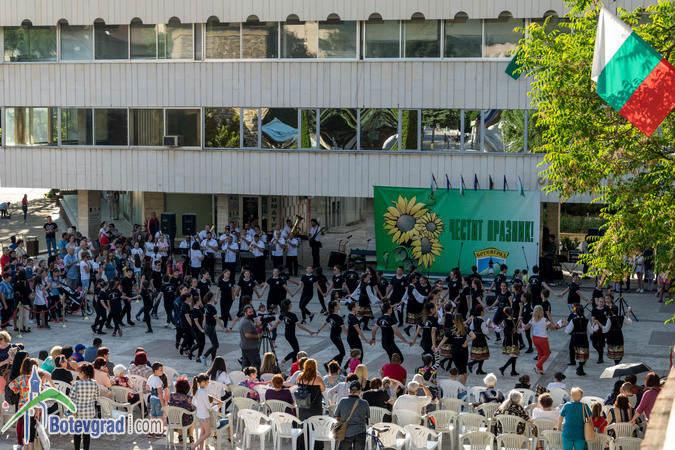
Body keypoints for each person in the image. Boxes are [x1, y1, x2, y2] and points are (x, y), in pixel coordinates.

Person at [269, 299, 314, 370]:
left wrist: (271, 329)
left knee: (295, 350)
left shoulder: (283, 314)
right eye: (291, 303)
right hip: (291, 335)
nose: (292, 304)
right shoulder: (292, 315)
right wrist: (309, 331)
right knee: (296, 351)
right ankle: (283, 361)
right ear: (289, 305)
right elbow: (299, 325)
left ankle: (294, 366)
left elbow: (276, 323)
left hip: (287, 334)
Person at [434, 313, 476, 385]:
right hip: (464, 350)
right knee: (464, 369)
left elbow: (443, 340)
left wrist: (437, 348)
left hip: (455, 350)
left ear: (453, 321)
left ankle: (462, 387)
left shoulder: (451, 330)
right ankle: (464, 386)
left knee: (460, 370)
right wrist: (466, 341)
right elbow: (474, 336)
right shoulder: (465, 328)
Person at [191, 373, 227, 450]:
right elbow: (208, 405)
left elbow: (193, 402)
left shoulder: (198, 390)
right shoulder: (204, 391)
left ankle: (200, 448)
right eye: (207, 382)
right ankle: (192, 447)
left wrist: (200, 406)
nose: (208, 384)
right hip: (204, 415)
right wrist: (211, 409)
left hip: (200, 414)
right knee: (207, 433)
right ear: (203, 382)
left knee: (202, 433)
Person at [71, 363, 101, 450]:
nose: (78, 374)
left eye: (79, 372)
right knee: (86, 434)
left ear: (83, 372)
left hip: (78, 412)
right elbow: (96, 397)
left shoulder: (76, 384)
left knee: (77, 433)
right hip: (89, 412)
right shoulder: (95, 383)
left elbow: (71, 397)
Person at [523, 305, 560, 375]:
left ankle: (540, 370)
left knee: (540, 353)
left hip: (535, 338)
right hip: (542, 339)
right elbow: (552, 328)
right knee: (547, 354)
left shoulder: (532, 319)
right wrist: (558, 323)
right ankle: (537, 366)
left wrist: (521, 322)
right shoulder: (545, 320)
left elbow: (526, 327)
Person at [334, 381, 370, 450]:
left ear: (349, 391)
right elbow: (368, 416)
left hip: (346, 431)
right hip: (360, 431)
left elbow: (336, 415)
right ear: (360, 392)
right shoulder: (364, 403)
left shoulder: (343, 401)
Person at [317, 300, 348, 368]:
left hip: (333, 336)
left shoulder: (331, 315)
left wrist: (318, 330)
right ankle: (328, 364)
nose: (339, 306)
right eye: (338, 304)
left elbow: (325, 323)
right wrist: (348, 336)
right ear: (335, 307)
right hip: (336, 337)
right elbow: (344, 329)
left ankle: (338, 368)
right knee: (342, 353)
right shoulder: (338, 318)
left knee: (342, 353)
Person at [565, 305, 592, 376]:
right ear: (583, 312)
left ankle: (580, 368)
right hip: (584, 338)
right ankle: (580, 367)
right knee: (583, 352)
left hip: (576, 338)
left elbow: (567, 331)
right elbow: (591, 331)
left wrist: (567, 325)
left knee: (576, 351)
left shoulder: (573, 320)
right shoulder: (586, 321)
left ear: (576, 313)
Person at [168, 377, 196, 441]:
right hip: (185, 421)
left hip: (172, 420)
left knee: (178, 415)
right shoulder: (188, 398)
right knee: (191, 417)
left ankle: (180, 435)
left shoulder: (172, 395)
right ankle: (191, 436)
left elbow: (169, 404)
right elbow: (193, 408)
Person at [467, 305, 490, 375]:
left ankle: (479, 369)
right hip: (481, 339)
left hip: (475, 337)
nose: (484, 312)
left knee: (479, 354)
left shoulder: (474, 319)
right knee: (482, 354)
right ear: (481, 312)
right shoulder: (482, 321)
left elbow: (471, 327)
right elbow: (485, 332)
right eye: (483, 311)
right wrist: (488, 326)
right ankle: (472, 364)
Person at [239, 304, 262, 370]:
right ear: (245, 313)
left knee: (246, 364)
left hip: (246, 346)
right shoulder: (246, 322)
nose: (252, 313)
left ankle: (244, 375)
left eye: (252, 312)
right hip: (250, 347)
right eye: (250, 312)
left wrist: (256, 327)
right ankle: (257, 375)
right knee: (256, 364)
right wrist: (257, 336)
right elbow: (247, 334)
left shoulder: (245, 319)